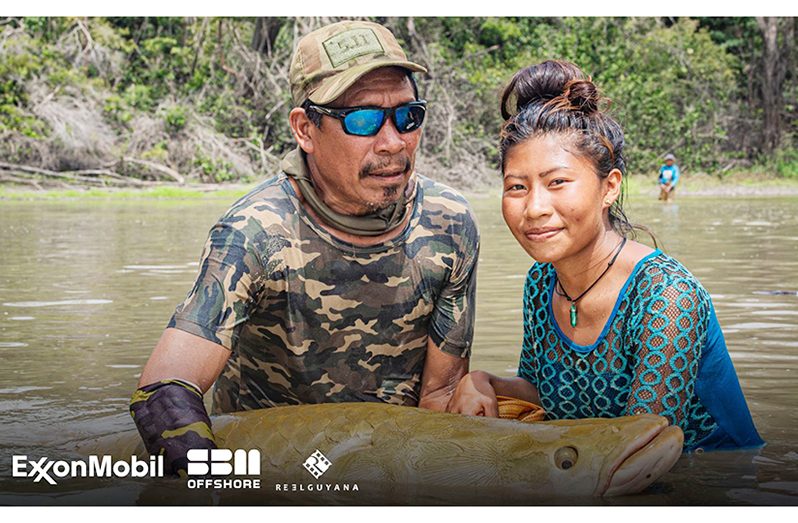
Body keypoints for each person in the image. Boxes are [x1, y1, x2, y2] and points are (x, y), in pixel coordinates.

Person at [130, 20, 480, 475]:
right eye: (363, 119)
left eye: (407, 116)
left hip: (389, 466)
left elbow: (440, 394)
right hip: (270, 468)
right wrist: (210, 485)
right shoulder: (255, 233)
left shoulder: (448, 222)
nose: (394, 142)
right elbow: (164, 388)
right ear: (305, 129)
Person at [447, 60, 763, 452]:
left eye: (557, 182)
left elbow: (641, 445)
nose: (534, 208)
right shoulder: (542, 281)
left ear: (609, 187)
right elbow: (544, 395)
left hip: (714, 485)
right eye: (516, 187)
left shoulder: (665, 297)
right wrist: (481, 381)